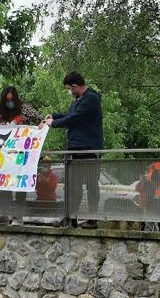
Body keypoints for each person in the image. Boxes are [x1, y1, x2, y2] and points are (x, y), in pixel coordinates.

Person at [45, 72, 103, 229]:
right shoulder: (78, 100)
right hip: (75, 147)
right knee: (74, 185)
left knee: (91, 184)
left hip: (89, 148)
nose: (68, 92)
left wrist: (54, 123)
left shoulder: (91, 98)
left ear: (76, 86)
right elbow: (70, 115)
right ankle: (71, 217)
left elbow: (75, 118)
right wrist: (55, 116)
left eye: (69, 89)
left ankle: (92, 218)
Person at [0, 86, 37, 226]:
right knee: (4, 184)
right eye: (7, 100)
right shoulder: (2, 113)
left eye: (12, 100)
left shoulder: (25, 109)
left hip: (23, 153)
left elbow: (40, 120)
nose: (10, 102)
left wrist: (39, 128)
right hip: (7, 155)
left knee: (20, 185)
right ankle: (2, 215)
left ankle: (18, 216)